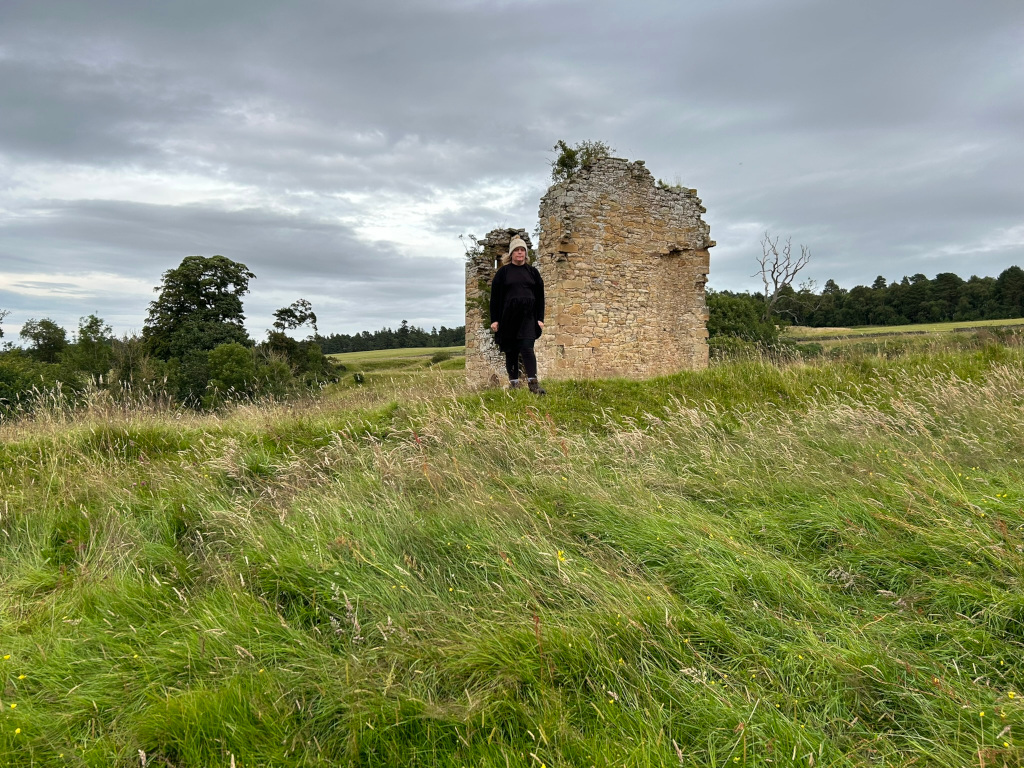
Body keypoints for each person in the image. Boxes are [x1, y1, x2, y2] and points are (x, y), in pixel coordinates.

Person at [490, 236, 546, 394]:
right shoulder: (503, 273)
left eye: (522, 250)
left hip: (528, 316)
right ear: (511, 253)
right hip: (508, 317)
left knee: (527, 348)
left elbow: (540, 296)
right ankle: (514, 384)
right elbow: (494, 298)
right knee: (511, 350)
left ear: (526, 253)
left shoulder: (533, 272)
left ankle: (533, 385)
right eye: (516, 250)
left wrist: (540, 318)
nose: (520, 253)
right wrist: (494, 319)